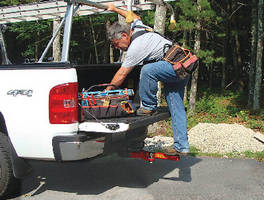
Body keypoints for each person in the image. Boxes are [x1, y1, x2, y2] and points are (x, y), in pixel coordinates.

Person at [105, 3, 190, 156]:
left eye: (116, 44)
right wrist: (115, 9)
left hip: (174, 66)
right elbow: (134, 17)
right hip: (182, 66)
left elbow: (122, 74)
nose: (117, 48)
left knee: (148, 70)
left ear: (124, 36)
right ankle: (182, 146)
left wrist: (107, 90)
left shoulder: (136, 46)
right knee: (176, 107)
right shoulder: (138, 27)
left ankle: (149, 106)